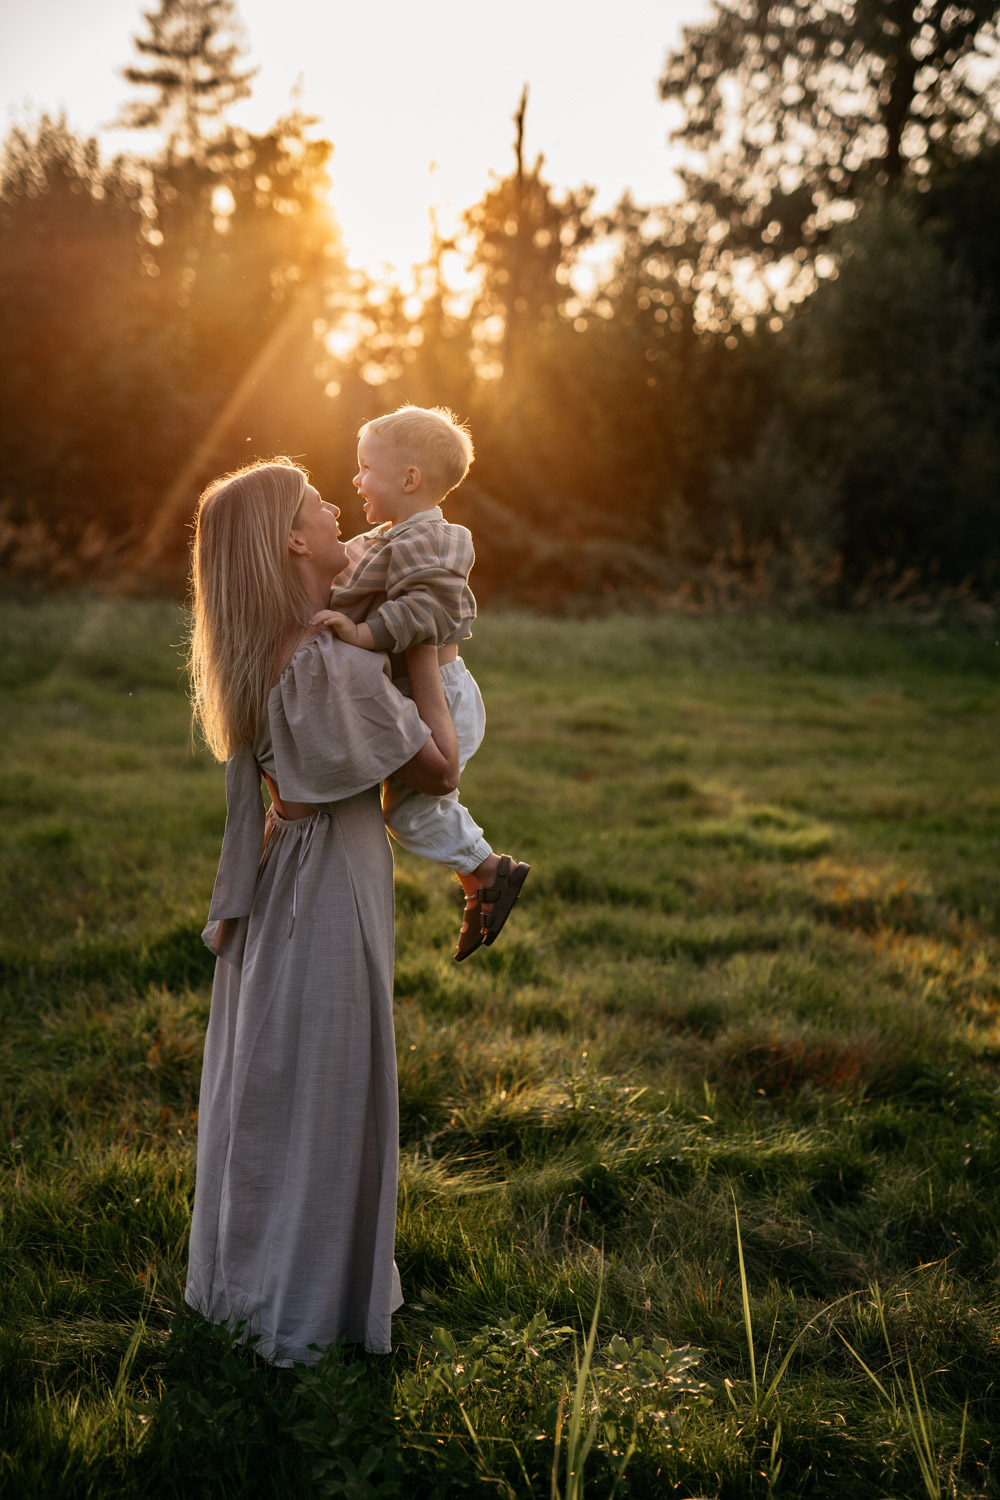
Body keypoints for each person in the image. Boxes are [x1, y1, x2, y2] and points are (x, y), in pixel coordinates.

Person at [184, 457, 460, 1365]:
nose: (337, 505)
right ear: (291, 541)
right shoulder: (327, 657)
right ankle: (306, 1314)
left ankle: (249, 1287)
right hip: (326, 882)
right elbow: (438, 765)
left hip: (283, 874)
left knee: (275, 1083)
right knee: (327, 1089)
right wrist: (417, 640)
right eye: (314, 503)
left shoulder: (269, 645)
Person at [310, 405, 529, 961]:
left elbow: (424, 611)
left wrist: (361, 635)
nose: (356, 479)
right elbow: (349, 573)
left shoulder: (432, 539)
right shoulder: (390, 537)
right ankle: (480, 883)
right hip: (434, 690)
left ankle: (487, 871)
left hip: (444, 694)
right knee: (411, 807)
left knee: (406, 813)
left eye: (365, 468)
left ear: (409, 479)